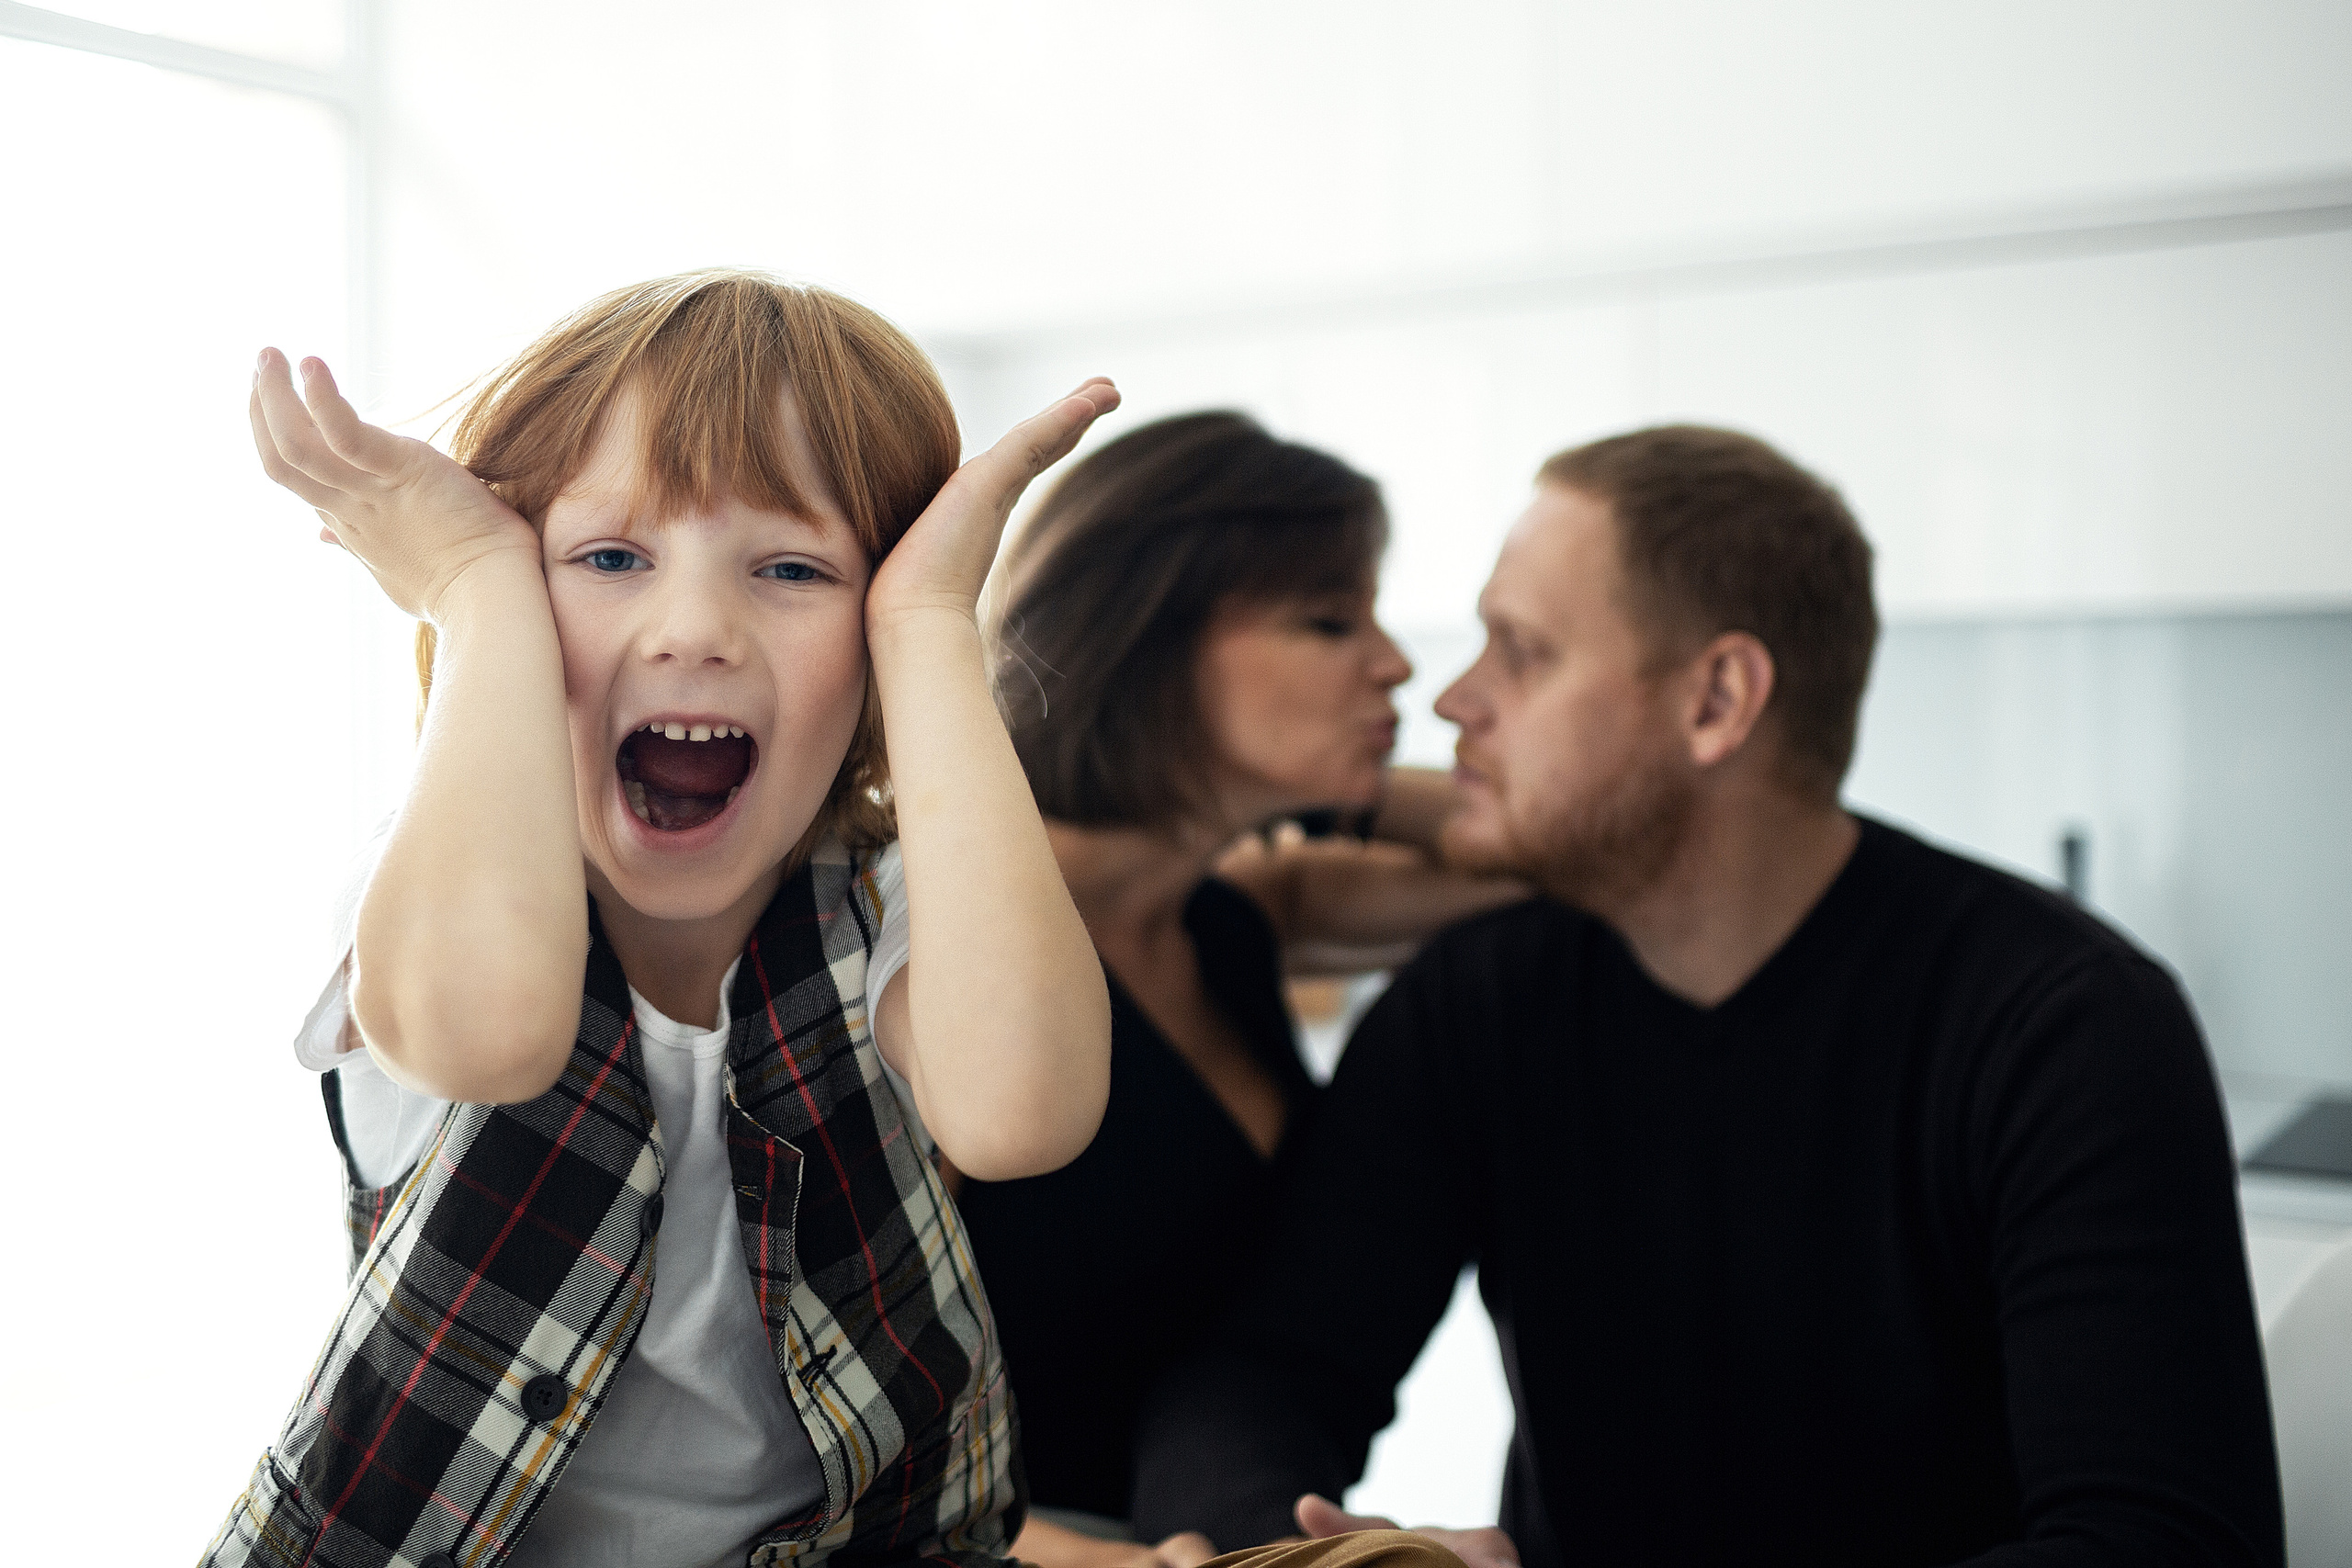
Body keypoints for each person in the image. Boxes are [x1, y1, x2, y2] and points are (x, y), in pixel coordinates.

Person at [1130, 426, 2286, 1568]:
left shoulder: (2062, 1027)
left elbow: (2163, 1539)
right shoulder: (1478, 1003)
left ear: (1716, 701)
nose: (1453, 702)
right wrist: (1300, 1556)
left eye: (1520, 652)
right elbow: (1260, 1375)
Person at [208, 270, 1121, 1568]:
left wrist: (926, 627)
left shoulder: (888, 901)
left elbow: (1022, 1110)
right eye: (610, 558)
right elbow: (491, 1034)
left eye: (796, 568)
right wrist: (472, 583)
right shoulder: (440, 883)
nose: (697, 627)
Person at [963, 412, 1524, 1568]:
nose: (1398, 664)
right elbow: (804, 1434)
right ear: (1148, 638)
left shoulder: (1233, 919)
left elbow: (1544, 857)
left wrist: (1338, 793)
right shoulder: (948, 943)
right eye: (1328, 621)